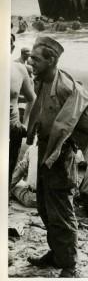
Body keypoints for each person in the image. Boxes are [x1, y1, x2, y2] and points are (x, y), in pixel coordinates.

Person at [26, 36, 88, 277]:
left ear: (51, 60)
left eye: (36, 59)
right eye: (30, 58)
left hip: (61, 156)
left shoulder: (65, 87)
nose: (31, 63)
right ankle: (56, 254)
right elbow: (40, 108)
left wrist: (72, 140)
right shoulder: (42, 80)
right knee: (44, 206)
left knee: (61, 210)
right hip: (45, 149)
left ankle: (70, 264)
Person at [9, 37, 35, 181]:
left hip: (13, 127)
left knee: (9, 168)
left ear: (12, 48)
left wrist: (25, 124)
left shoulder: (19, 69)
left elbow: (32, 98)